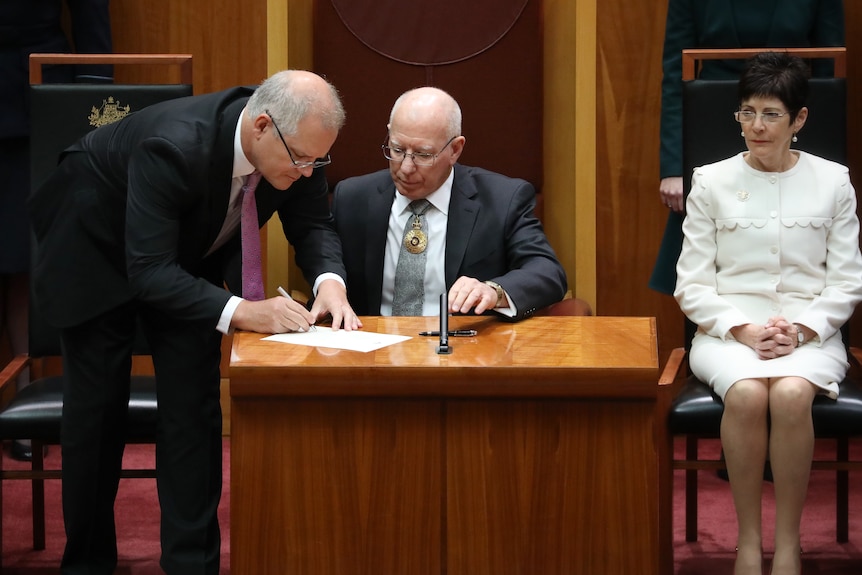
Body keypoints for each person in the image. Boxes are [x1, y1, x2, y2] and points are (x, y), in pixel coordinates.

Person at [29, 70, 360, 575]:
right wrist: (246, 312)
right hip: (92, 243)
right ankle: (87, 563)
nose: (311, 171)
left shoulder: (297, 149)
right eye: (302, 159)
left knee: (194, 407)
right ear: (261, 127)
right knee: (96, 415)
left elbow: (313, 223)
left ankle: (191, 564)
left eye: (321, 159)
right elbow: (148, 271)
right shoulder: (175, 145)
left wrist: (329, 283)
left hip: (180, 252)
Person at [674, 52, 862, 575]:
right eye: (747, 112)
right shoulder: (710, 182)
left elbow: (847, 281)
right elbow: (690, 285)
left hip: (812, 335)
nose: (756, 126)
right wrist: (745, 329)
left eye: (771, 114)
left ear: (799, 120)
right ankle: (749, 544)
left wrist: (800, 331)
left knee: (793, 391)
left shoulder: (833, 182)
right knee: (749, 392)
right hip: (727, 335)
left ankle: (788, 546)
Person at [649, 0, 845, 294]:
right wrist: (674, 166)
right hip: (711, 120)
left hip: (788, 123)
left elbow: (830, 69)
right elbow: (675, 74)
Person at [331, 86, 567, 320]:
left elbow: (547, 272)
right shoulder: (353, 198)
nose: (406, 167)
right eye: (397, 149)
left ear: (455, 149)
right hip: (371, 346)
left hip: (463, 347)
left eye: (423, 155)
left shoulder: (502, 199)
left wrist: (493, 291)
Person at [0, 0, 113, 461]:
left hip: (35, 99)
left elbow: (91, 21)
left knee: (28, 258)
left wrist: (95, 108)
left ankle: (29, 408)